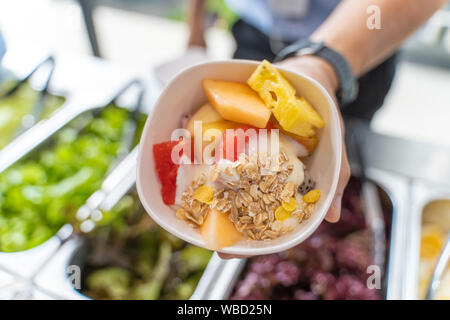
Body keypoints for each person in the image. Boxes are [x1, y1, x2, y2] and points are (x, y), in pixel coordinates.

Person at [187, 1, 446, 250]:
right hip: (255, 31)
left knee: (348, 151)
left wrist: (327, 62)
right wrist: (195, 30)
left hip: (365, 39)